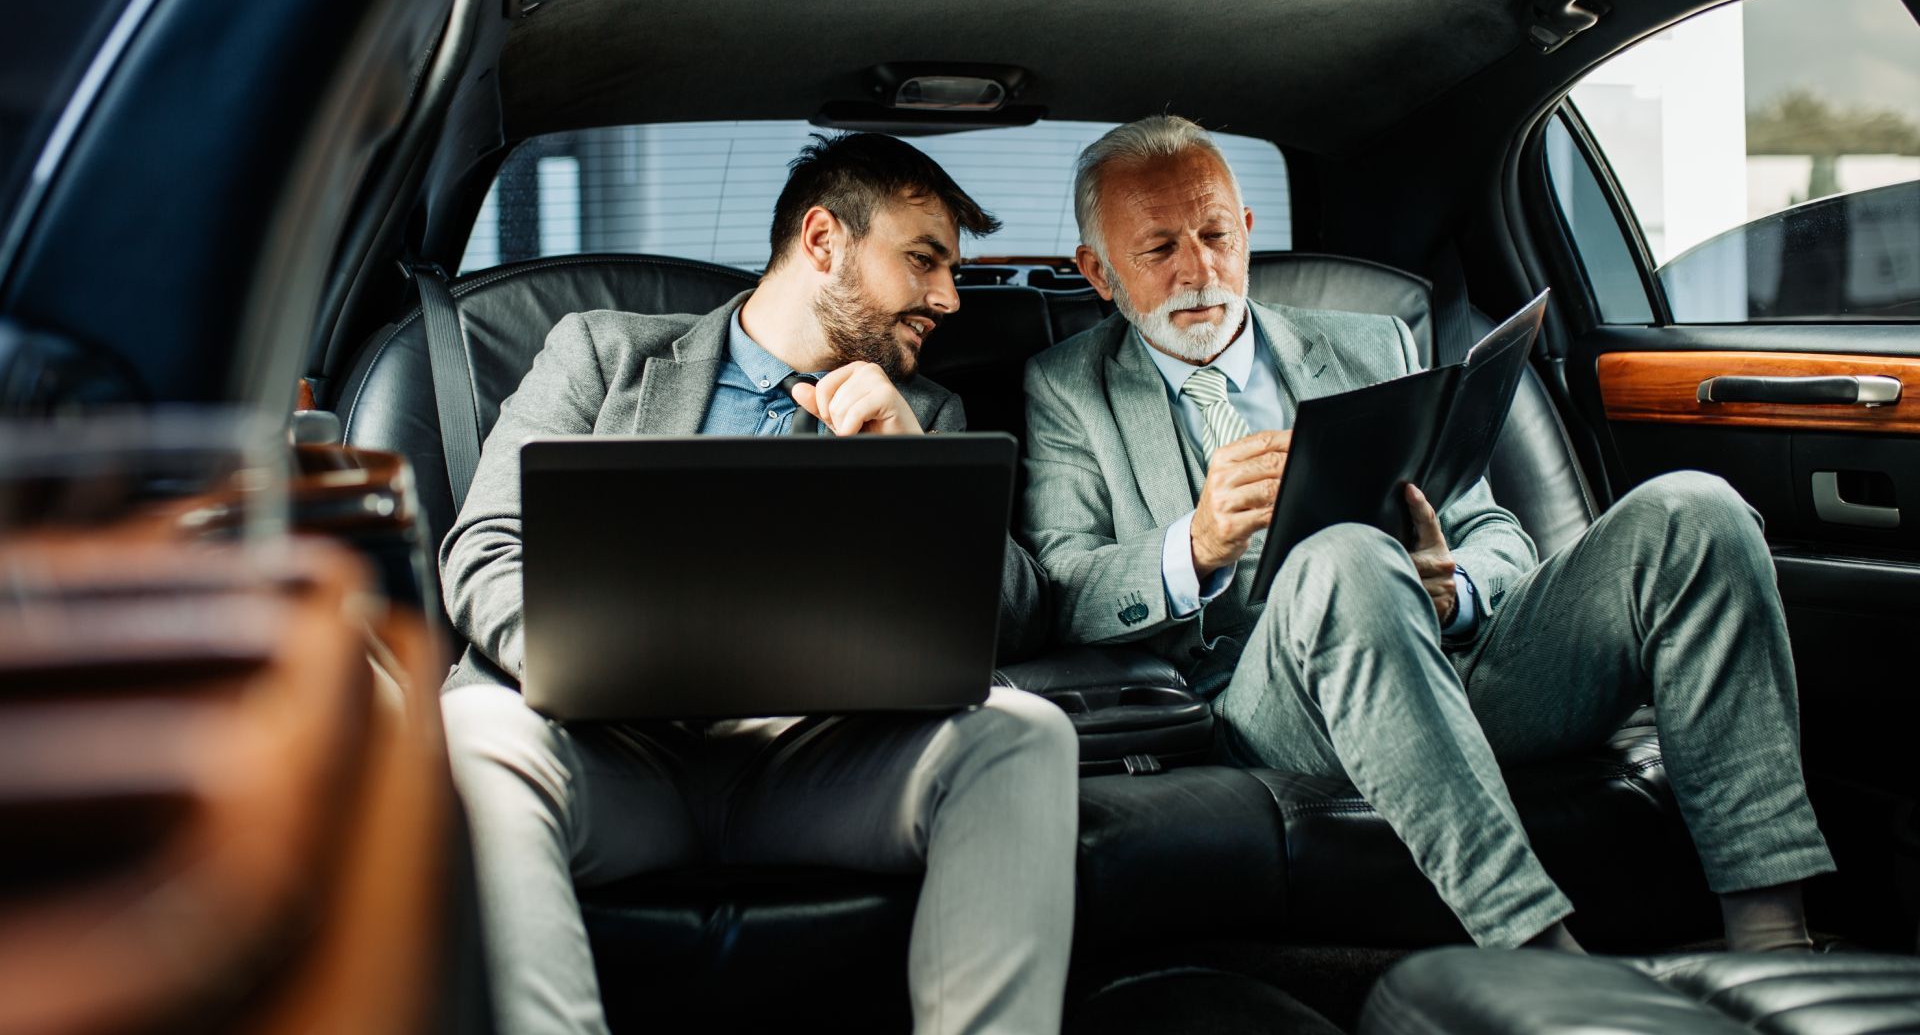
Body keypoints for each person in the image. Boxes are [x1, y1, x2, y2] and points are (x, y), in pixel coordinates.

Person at [1019, 114, 1833, 953]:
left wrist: (1456, 587)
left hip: (1460, 661)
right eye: (1158, 251)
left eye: (1216, 234)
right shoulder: (1069, 390)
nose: (1200, 270)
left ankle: (1774, 935)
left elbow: (1493, 532)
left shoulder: (1372, 342)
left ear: (1247, 230)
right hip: (1271, 702)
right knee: (1346, 556)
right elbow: (1061, 586)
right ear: (1100, 272)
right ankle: (1535, 950)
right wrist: (1194, 544)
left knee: (1696, 511)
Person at [441, 132, 1078, 1035]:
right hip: (610, 751)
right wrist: (604, 662)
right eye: (924, 259)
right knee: (473, 730)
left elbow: (1017, 617)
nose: (948, 296)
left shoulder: (928, 413)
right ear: (823, 241)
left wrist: (913, 468)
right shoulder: (600, 354)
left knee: (1026, 738)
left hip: (816, 764)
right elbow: (486, 549)